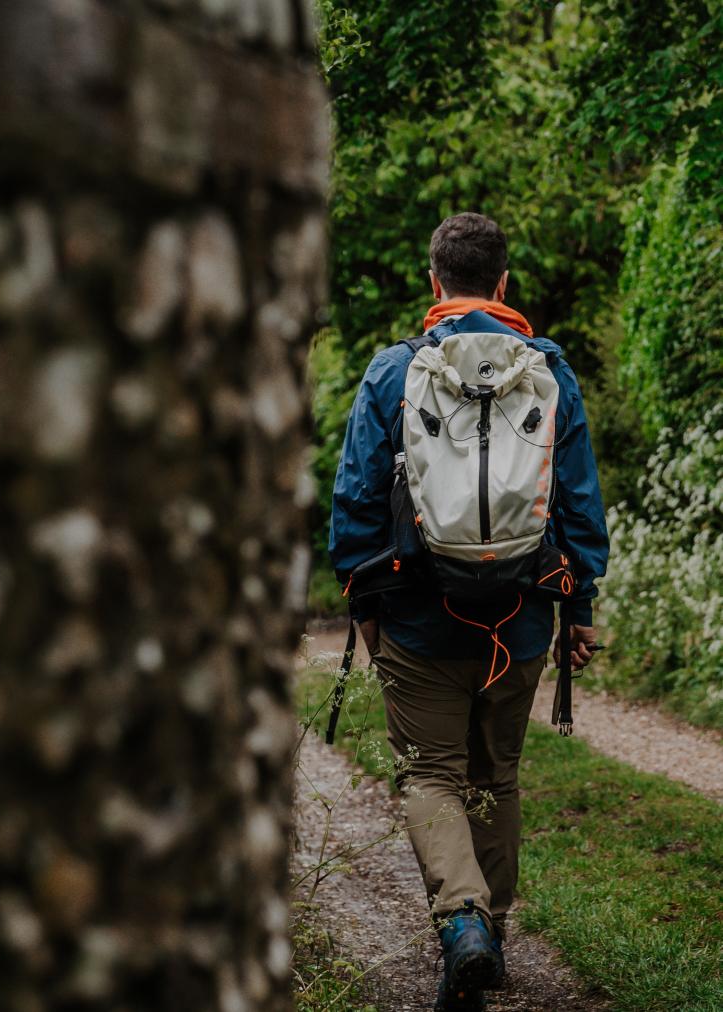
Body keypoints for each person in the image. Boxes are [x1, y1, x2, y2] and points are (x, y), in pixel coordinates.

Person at [328, 212, 609, 1010]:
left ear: (434, 280)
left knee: (431, 773)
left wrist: (367, 608)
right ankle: (494, 933)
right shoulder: (547, 368)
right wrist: (578, 606)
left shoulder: (394, 371)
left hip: (419, 615)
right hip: (519, 618)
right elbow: (577, 502)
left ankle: (462, 926)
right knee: (496, 777)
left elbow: (354, 502)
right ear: (503, 281)